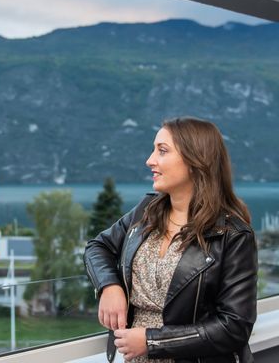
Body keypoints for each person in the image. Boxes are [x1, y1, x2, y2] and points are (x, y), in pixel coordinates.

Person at [84, 117, 257, 363]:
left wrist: (152, 341)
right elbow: (97, 247)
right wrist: (109, 286)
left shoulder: (233, 235)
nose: (150, 160)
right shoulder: (146, 211)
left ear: (196, 161)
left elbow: (234, 327)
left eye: (162, 151)